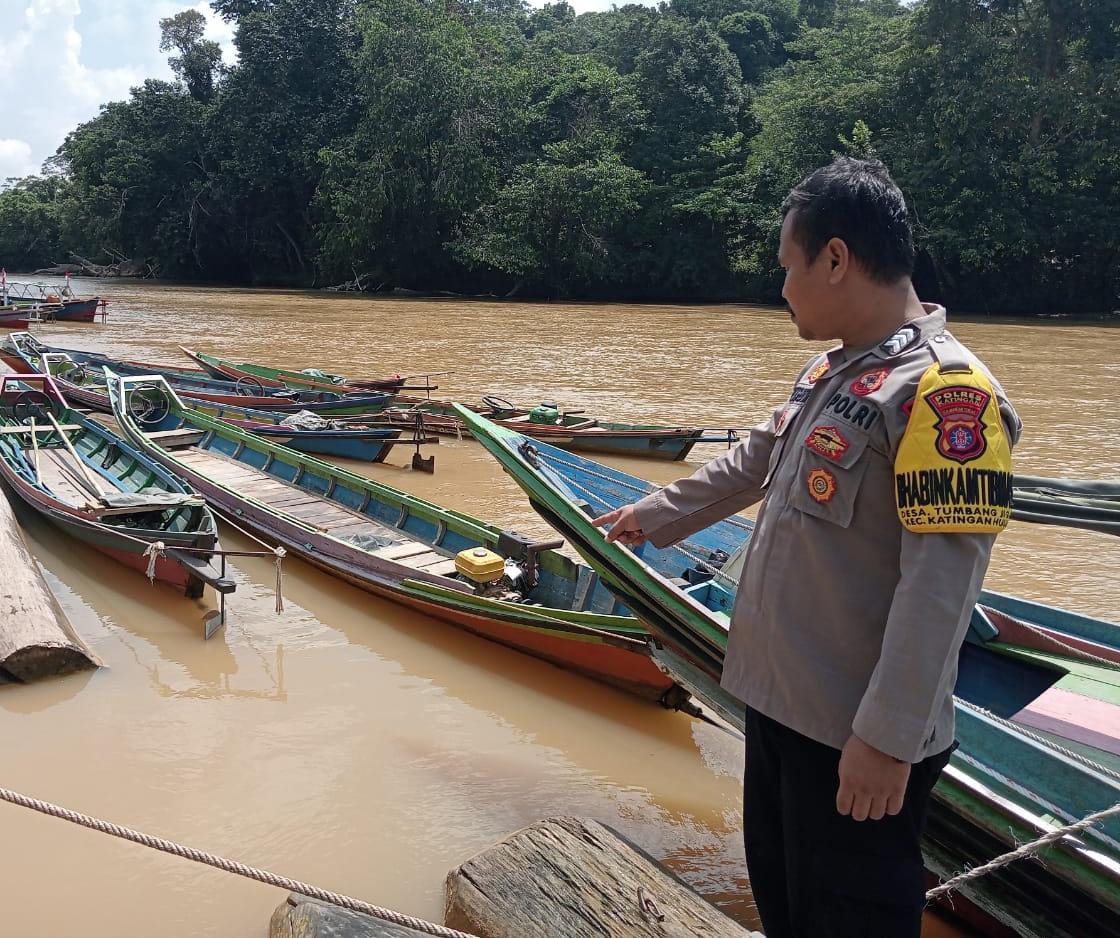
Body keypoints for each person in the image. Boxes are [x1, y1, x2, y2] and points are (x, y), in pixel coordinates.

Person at [593, 157, 1021, 937]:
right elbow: (754, 461)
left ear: (834, 258)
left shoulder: (946, 395)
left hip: (855, 735)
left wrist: (887, 741)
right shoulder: (832, 371)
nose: (782, 285)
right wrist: (649, 515)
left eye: (789, 265)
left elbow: (943, 584)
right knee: (788, 911)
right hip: (782, 704)